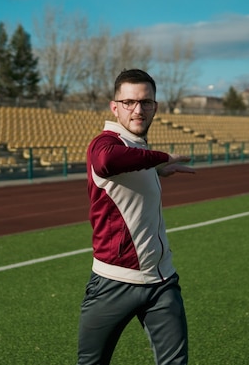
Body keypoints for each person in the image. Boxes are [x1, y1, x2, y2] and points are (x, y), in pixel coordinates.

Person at [77, 69, 197, 365]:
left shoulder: (138, 149)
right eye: (129, 102)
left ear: (155, 107)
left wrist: (156, 170)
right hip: (113, 282)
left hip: (162, 281)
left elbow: (130, 167)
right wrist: (161, 158)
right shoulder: (104, 143)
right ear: (114, 106)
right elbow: (107, 162)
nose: (138, 109)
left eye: (145, 102)